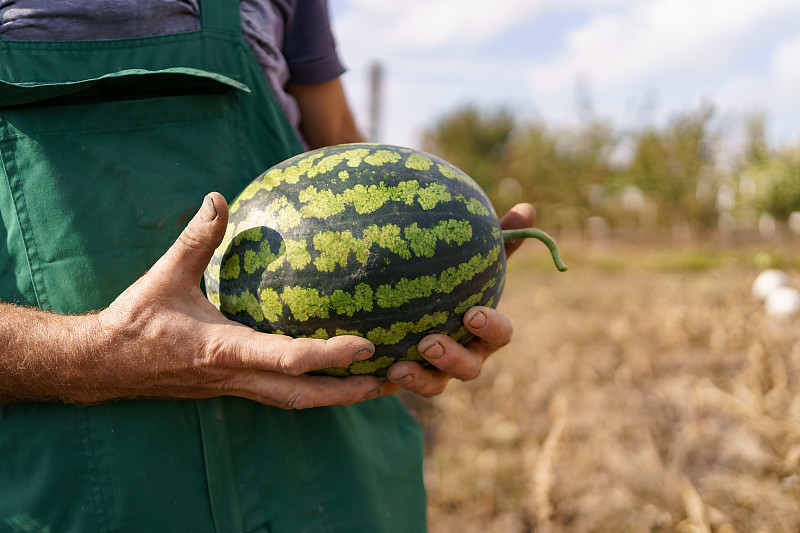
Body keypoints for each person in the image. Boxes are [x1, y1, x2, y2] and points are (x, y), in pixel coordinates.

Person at [0, 1, 537, 531]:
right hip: (77, 482)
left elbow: (340, 144)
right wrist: (91, 355)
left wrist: (437, 266)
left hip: (322, 465)